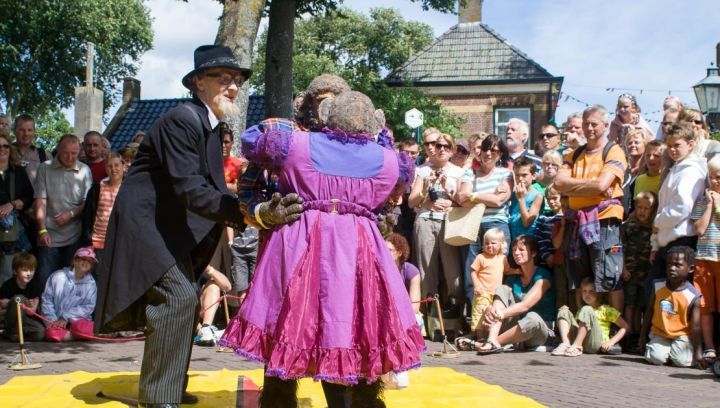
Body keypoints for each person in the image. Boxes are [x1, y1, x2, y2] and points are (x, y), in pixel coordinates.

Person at [220, 90, 424, 407]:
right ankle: (362, 399)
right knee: (357, 325)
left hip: (301, 242)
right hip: (357, 249)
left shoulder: (294, 144)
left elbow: (251, 140)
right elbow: (396, 184)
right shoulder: (386, 160)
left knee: (290, 322)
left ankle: (281, 400)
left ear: (327, 114)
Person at [94, 45, 260, 408]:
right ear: (198, 81)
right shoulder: (182, 119)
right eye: (223, 78)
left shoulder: (212, 127)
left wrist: (253, 201)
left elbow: (213, 188)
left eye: (236, 80)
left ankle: (169, 387)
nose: (232, 86)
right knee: (179, 297)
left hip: (167, 227)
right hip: (145, 225)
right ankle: (158, 398)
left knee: (183, 301)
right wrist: (248, 214)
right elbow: (190, 188)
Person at [555, 105, 628, 312]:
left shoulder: (613, 151)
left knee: (608, 277)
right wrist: (593, 187)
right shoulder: (574, 154)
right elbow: (559, 183)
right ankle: (584, 329)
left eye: (594, 124)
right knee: (580, 279)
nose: (589, 128)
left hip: (605, 221)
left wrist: (577, 187)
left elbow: (602, 185)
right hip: (576, 223)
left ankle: (615, 333)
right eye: (586, 123)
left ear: (605, 125)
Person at [648, 123, 706, 300]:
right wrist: (656, 243)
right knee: (657, 292)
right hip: (668, 240)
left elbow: (682, 207)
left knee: (673, 297)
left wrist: (658, 222)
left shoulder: (691, 171)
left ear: (690, 144)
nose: (673, 150)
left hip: (681, 241)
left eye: (677, 145)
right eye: (670, 146)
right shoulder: (676, 169)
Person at [408, 132, 465, 310]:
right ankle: (428, 312)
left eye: (446, 146)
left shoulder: (459, 172)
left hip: (449, 223)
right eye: (438, 145)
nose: (441, 149)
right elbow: (412, 202)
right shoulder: (423, 170)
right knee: (426, 270)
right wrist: (426, 191)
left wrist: (450, 198)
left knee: (452, 270)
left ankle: (455, 312)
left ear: (452, 150)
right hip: (425, 220)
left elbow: (464, 201)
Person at [458, 134, 513, 314]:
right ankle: (476, 319)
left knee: (496, 271)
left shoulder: (506, 173)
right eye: (485, 149)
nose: (489, 153)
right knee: (471, 270)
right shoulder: (469, 173)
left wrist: (473, 196)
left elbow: (500, 202)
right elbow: (461, 198)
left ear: (500, 154)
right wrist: (490, 196)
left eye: (494, 150)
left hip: (496, 225)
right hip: (473, 225)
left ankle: (497, 316)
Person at [475, 235, 555, 354]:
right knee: (502, 289)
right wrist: (490, 309)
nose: (516, 253)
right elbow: (500, 301)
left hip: (539, 331)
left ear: (533, 253)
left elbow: (525, 305)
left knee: (533, 317)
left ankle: (491, 343)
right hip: (515, 329)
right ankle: (492, 340)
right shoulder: (513, 278)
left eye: (521, 250)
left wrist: (499, 314)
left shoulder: (543, 277)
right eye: (514, 250)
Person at [34, 134, 92, 286]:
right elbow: (40, 201)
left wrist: (71, 213)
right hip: (49, 236)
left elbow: (87, 202)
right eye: (66, 152)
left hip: (74, 236)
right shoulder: (44, 168)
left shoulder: (85, 170)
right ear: (58, 150)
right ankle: (43, 310)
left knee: (70, 282)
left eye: (74, 153)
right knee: (44, 281)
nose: (70, 157)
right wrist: (42, 230)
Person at [640, 246, 704, 368]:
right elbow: (649, 311)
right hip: (660, 332)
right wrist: (642, 336)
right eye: (669, 264)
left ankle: (674, 352)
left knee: (682, 362)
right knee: (656, 358)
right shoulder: (658, 286)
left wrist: (698, 353)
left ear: (690, 269)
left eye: (677, 265)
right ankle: (663, 351)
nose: (671, 268)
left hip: (682, 335)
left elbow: (696, 326)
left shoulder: (693, 296)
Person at [690, 155, 720, 363]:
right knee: (705, 305)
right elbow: (699, 229)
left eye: (718, 177)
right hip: (703, 258)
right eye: (712, 178)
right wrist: (709, 205)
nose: (715, 181)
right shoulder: (702, 200)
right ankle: (709, 347)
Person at [553, 277, 628, 357]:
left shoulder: (606, 309)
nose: (587, 294)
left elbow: (625, 327)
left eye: (591, 291)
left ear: (599, 293)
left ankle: (577, 346)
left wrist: (611, 342)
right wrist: (566, 313)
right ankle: (566, 344)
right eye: (584, 291)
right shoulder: (581, 310)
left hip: (596, 344)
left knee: (587, 309)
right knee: (564, 311)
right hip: (583, 343)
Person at [621, 192, 656, 349]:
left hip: (646, 272)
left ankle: (638, 334)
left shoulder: (654, 228)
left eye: (646, 208)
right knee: (629, 303)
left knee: (641, 304)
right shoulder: (628, 226)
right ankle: (628, 333)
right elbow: (621, 248)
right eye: (639, 207)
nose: (642, 211)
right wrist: (623, 268)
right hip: (630, 270)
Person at [41, 247, 97, 342]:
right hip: (56, 320)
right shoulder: (58, 276)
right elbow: (47, 300)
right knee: (51, 334)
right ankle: (73, 335)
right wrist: (52, 320)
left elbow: (88, 306)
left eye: (90, 261)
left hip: (77, 320)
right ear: (75, 261)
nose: (86, 262)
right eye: (83, 259)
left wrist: (66, 316)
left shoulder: (91, 283)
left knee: (87, 329)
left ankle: (67, 335)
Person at [0, 133, 34, 283]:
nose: (2, 149)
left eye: (5, 146)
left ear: (10, 148)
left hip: (12, 234)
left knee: (9, 274)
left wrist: (12, 204)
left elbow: (29, 197)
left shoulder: (18, 172)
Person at [468, 228, 511, 340]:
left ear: (501, 244)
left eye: (493, 243)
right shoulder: (481, 257)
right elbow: (473, 271)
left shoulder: (502, 258)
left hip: (496, 294)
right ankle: (480, 336)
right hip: (482, 292)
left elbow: (507, 271)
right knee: (480, 313)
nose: (489, 246)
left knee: (494, 313)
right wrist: (476, 285)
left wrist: (517, 271)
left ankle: (491, 335)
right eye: (486, 243)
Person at [80, 152, 124, 262]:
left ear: (123, 166)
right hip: (98, 243)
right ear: (105, 168)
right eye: (109, 166)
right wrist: (88, 242)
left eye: (116, 165)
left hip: (121, 244)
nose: (113, 169)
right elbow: (87, 217)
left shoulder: (130, 189)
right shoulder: (96, 189)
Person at [534, 184, 566, 307]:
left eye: (554, 198)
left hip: (563, 261)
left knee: (561, 290)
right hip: (545, 261)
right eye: (548, 199)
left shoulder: (567, 217)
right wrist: (547, 256)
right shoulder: (543, 218)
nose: (551, 202)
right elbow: (538, 238)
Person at [0, 253, 44, 342]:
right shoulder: (7, 286)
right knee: (19, 298)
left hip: (25, 319)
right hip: (8, 319)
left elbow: (32, 312)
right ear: (15, 271)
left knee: (40, 333)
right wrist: (12, 304)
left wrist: (26, 307)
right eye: (25, 270)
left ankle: (10, 334)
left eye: (32, 270)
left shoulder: (36, 285)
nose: (29, 274)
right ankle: (14, 334)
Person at [509, 156, 544, 238]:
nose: (520, 179)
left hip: (527, 239)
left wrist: (521, 199)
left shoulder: (537, 196)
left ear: (534, 176)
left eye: (524, 175)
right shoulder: (513, 193)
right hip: (512, 238)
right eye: (517, 175)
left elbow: (527, 223)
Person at [12, 114, 50, 185]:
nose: (26, 134)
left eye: (29, 130)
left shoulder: (44, 155)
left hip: (35, 195)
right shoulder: (5, 152)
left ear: (34, 132)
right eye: (21, 130)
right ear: (14, 131)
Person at [221, 125, 246, 194]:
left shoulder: (239, 165)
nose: (223, 145)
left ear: (232, 143)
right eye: (220, 142)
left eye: (226, 142)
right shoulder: (209, 163)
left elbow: (237, 188)